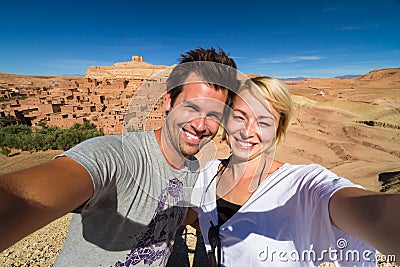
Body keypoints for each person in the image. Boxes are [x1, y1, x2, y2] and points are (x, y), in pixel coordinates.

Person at [0, 47, 239, 266]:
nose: (200, 124)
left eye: (214, 115)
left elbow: (181, 216)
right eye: (191, 107)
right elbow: (22, 199)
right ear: (168, 101)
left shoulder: (192, 169)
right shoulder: (113, 155)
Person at [188, 76, 400, 266]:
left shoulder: (303, 185)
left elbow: (366, 211)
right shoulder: (209, 173)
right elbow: (194, 216)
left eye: (263, 121)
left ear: (277, 130)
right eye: (240, 117)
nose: (247, 131)